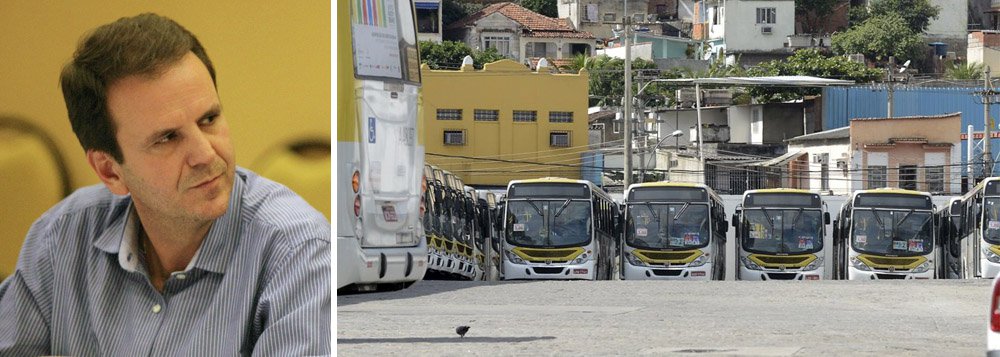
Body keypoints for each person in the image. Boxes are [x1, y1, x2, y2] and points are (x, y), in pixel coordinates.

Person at [0, 13, 330, 355]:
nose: (205, 154)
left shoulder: (297, 252)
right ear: (110, 171)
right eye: (168, 138)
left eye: (209, 119)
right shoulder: (62, 236)